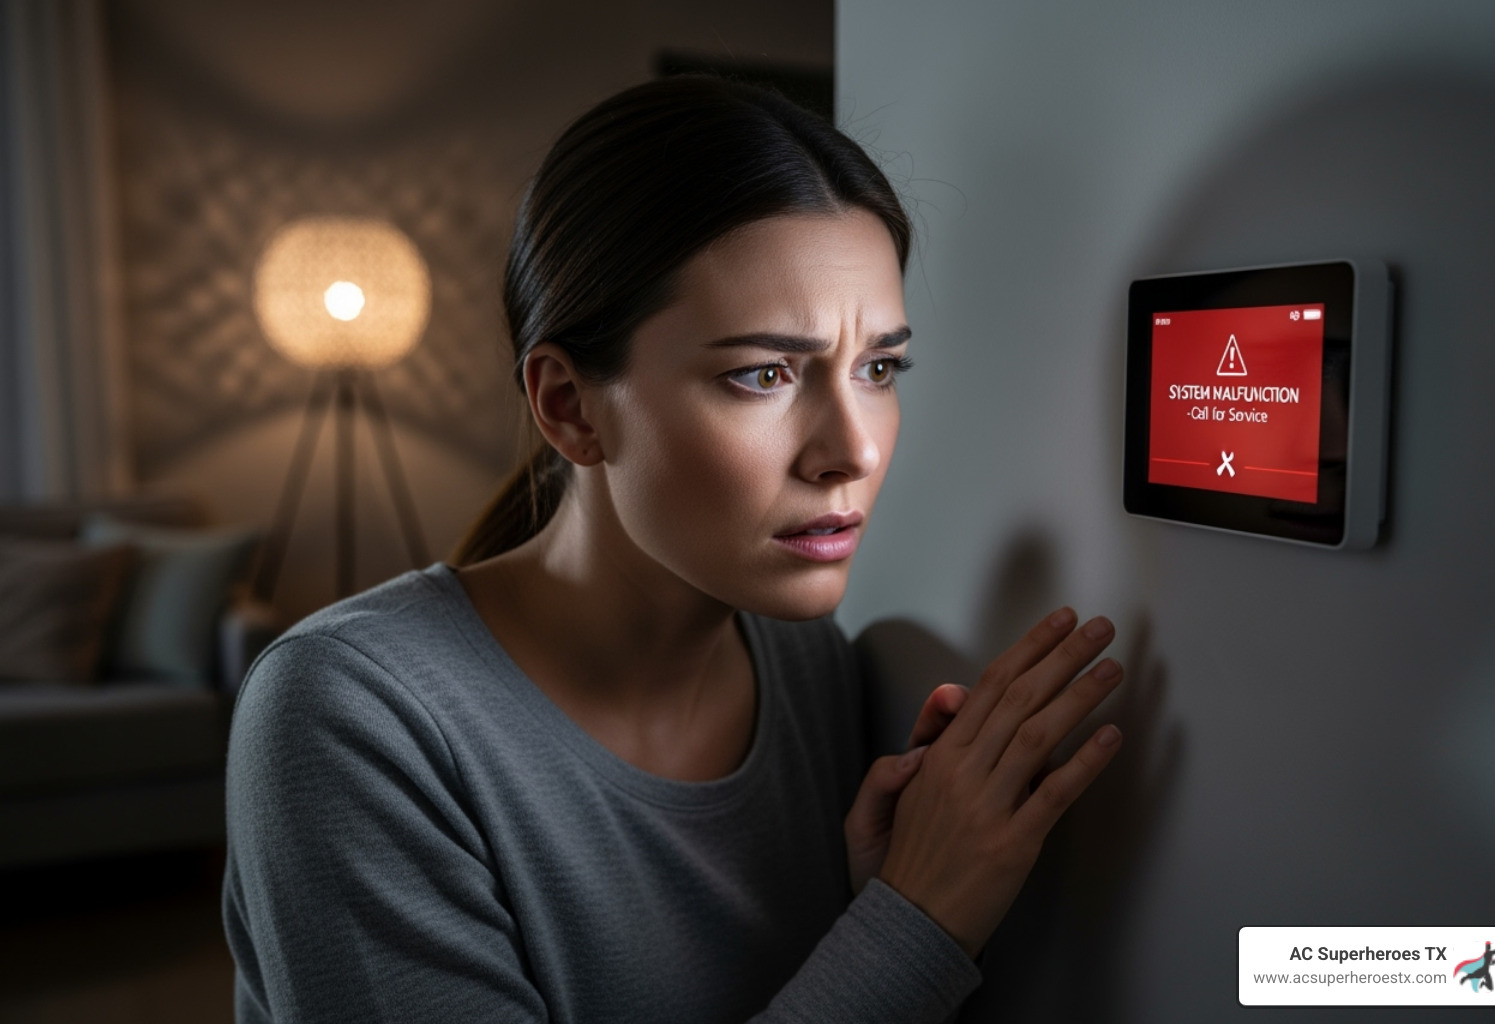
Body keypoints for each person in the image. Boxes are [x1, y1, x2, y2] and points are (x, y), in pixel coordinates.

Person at [222, 75, 1125, 1024]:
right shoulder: (347, 718)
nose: (853, 449)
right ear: (570, 407)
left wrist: (867, 908)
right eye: (763, 374)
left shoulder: (806, 666)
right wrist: (913, 926)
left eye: (878, 368)